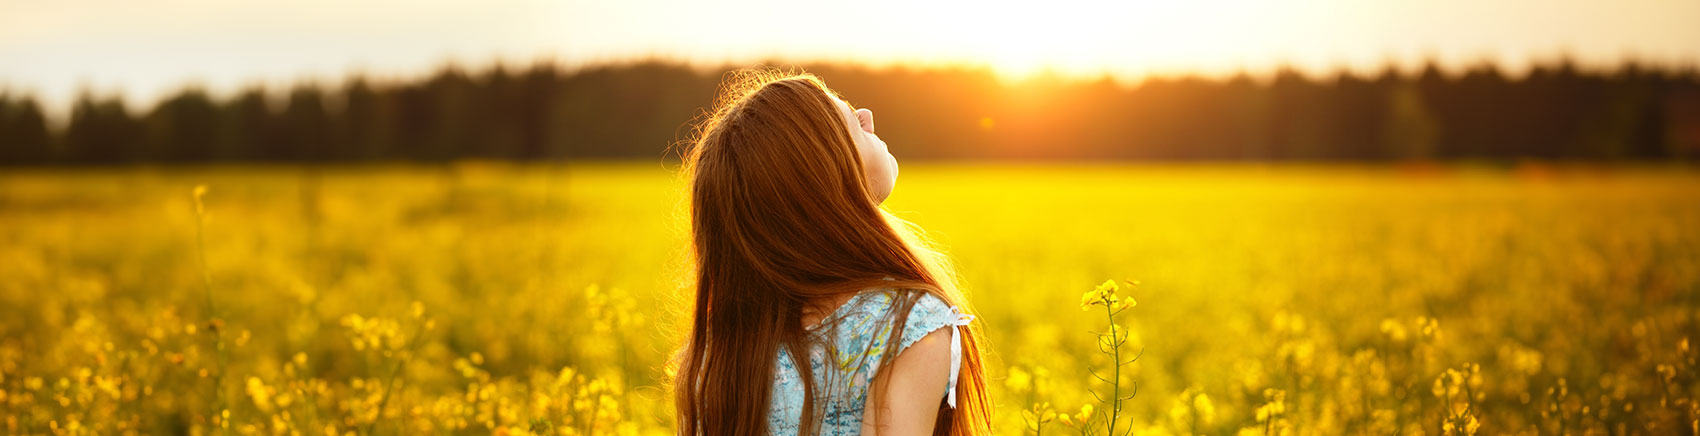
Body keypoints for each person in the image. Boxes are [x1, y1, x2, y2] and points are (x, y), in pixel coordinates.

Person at [670, 69, 993, 436]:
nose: (867, 115)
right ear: (828, 177)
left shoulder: (718, 350)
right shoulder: (906, 326)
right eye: (852, 124)